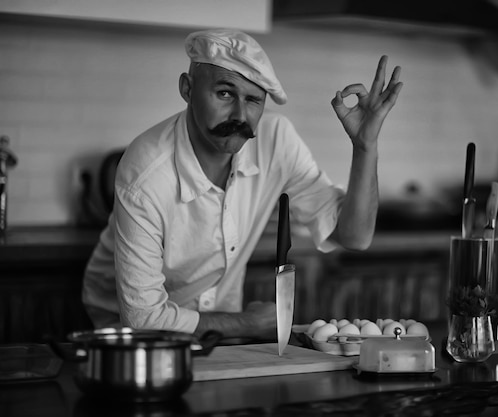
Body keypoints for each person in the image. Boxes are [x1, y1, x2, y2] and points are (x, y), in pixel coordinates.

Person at [82, 28, 403, 340]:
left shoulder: (276, 141)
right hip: (122, 333)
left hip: (218, 329)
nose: (239, 114)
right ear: (187, 88)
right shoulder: (146, 173)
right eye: (224, 93)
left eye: (253, 100)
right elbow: (142, 321)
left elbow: (354, 237)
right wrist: (247, 323)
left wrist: (365, 147)